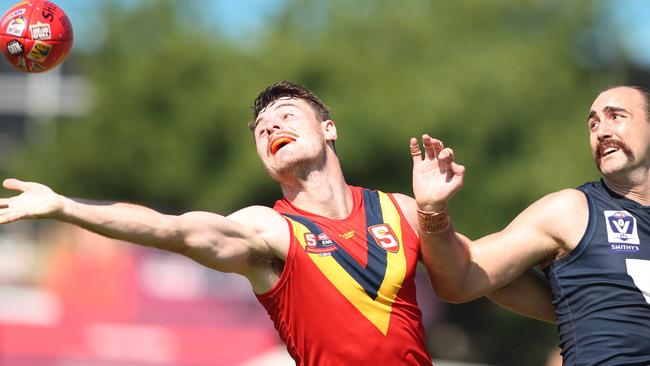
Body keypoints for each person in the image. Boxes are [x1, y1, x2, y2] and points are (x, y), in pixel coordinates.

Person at [0, 81, 553, 365]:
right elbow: (175, 229)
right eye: (261, 129)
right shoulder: (270, 230)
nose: (271, 128)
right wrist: (66, 206)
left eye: (286, 116)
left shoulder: (400, 209)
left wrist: (592, 316)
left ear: (329, 129)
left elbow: (480, 273)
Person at [414, 85, 650, 365]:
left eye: (616, 116)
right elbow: (461, 278)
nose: (601, 131)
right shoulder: (572, 210)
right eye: (593, 123)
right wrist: (432, 210)